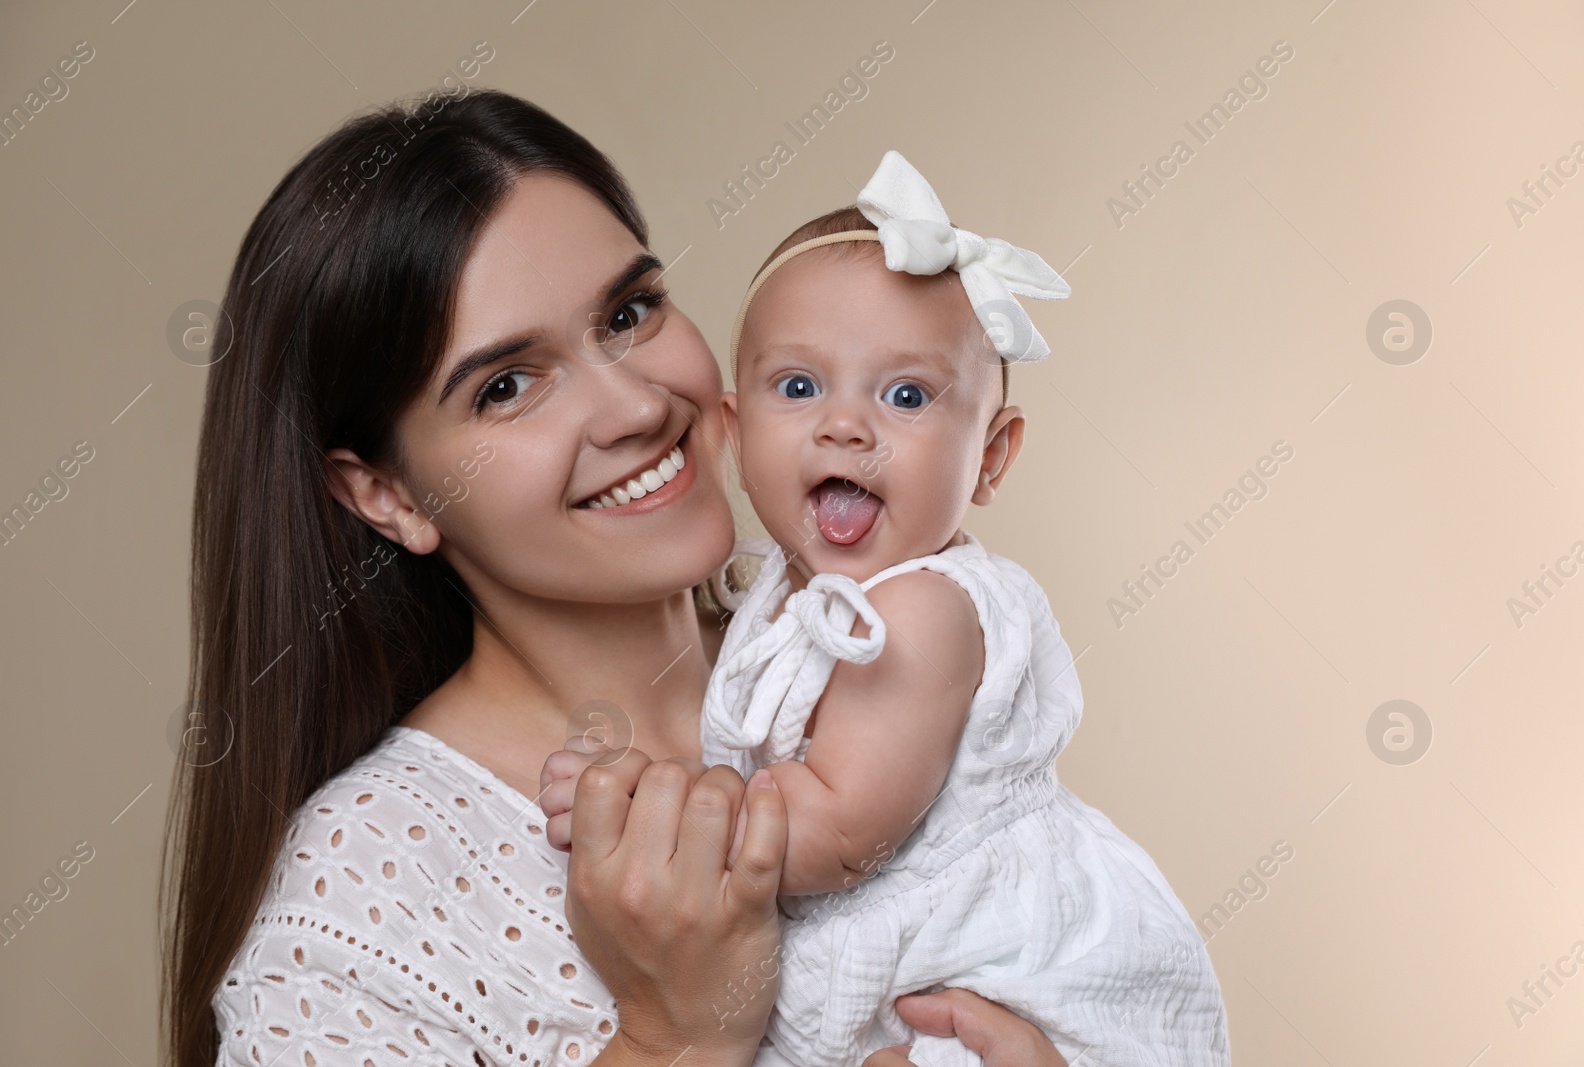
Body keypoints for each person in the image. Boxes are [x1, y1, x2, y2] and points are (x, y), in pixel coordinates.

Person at [157, 90, 1066, 1067]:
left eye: (629, 312)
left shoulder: (859, 639)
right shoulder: (351, 910)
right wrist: (676, 1032)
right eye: (506, 384)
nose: (637, 404)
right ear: (385, 493)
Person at [548, 151, 1230, 1067]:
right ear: (736, 430)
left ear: (991, 457)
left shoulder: (921, 615)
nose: (846, 426)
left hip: (999, 965)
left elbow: (832, 834)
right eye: (799, 387)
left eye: (906, 395)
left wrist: (646, 802)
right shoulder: (786, 594)